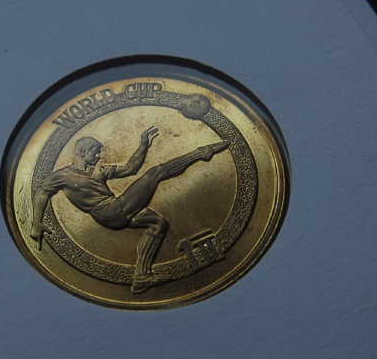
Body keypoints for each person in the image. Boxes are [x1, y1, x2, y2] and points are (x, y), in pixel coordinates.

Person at [30, 126, 230, 294]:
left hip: (117, 208)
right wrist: (36, 223)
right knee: (155, 173)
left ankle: (142, 278)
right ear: (82, 152)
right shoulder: (62, 175)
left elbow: (130, 169)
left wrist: (143, 146)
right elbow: (42, 193)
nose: (98, 156)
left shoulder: (99, 170)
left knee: (159, 223)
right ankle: (201, 153)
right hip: (108, 212)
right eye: (95, 152)